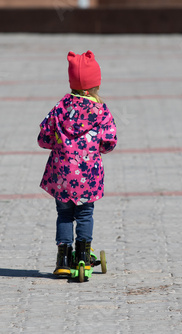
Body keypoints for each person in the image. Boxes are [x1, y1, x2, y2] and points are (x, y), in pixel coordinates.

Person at [37, 50, 118, 276]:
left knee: (64, 214)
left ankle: (63, 258)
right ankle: (83, 255)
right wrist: (99, 148)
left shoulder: (60, 107)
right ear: (92, 87)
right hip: (88, 175)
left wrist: (55, 143)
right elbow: (109, 141)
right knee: (84, 214)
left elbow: (44, 137)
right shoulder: (101, 111)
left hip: (62, 175)